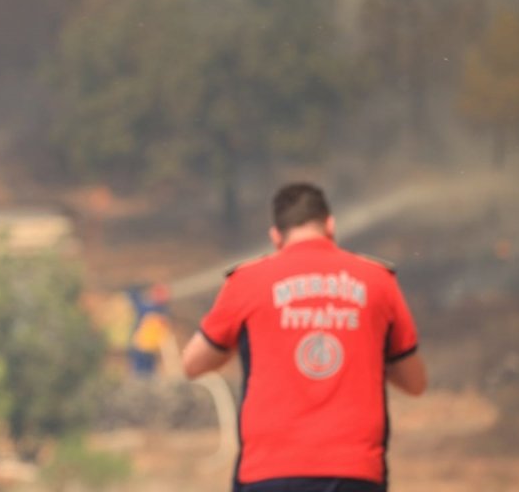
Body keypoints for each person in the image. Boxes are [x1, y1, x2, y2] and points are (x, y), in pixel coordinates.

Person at [182, 182, 427, 492]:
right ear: (330, 225)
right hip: (355, 472)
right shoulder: (377, 281)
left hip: (269, 472)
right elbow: (415, 383)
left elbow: (192, 363)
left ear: (275, 236)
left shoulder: (247, 282)